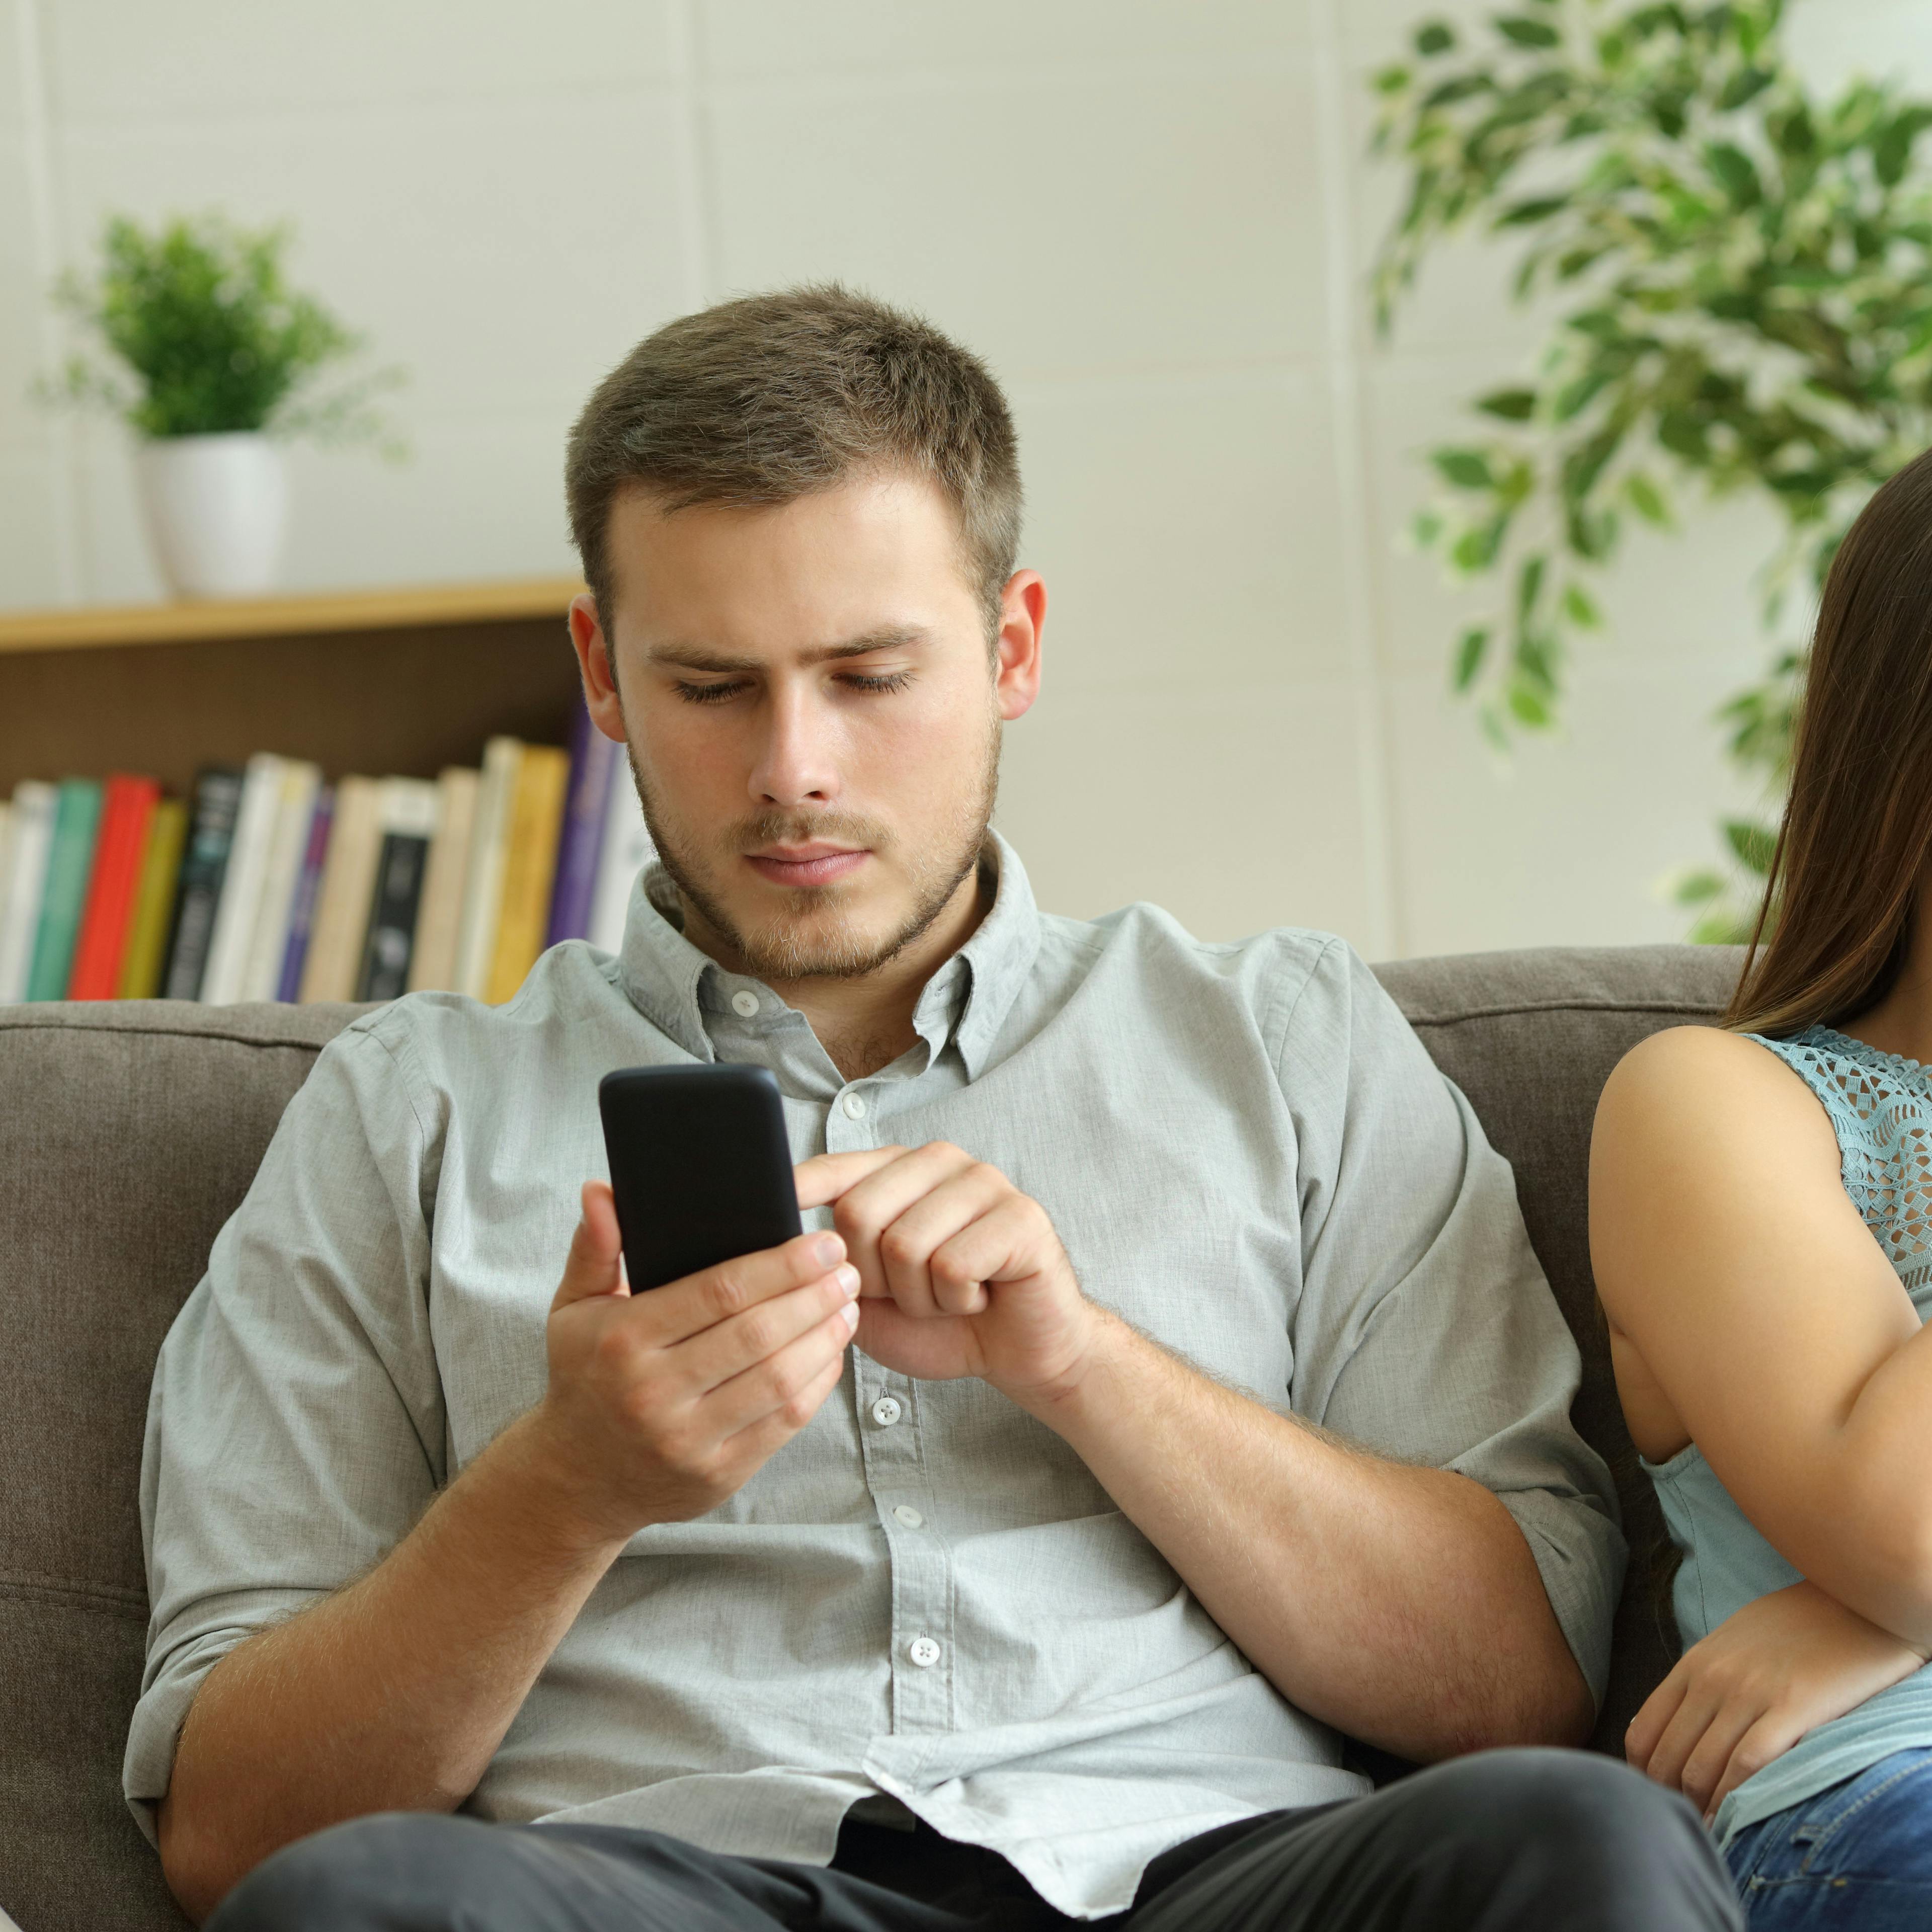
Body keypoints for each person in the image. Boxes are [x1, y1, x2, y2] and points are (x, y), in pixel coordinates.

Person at [132, 285, 1738, 1932]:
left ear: (1013, 648)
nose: (796, 768)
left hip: (1217, 1878)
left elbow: (1517, 1683)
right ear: (602, 674)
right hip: (666, 1890)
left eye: (868, 673)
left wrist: (1086, 1367)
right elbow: (235, 1836)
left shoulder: (1288, 1043)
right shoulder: (402, 1117)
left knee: (1577, 1838)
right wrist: (573, 1486)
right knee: (364, 1906)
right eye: (713, 686)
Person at [1593, 448, 1932, 1930]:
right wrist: (1903, 1609)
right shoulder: (1718, 1106)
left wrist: (1884, 1629)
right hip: (1886, 1811)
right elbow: (1916, 1531)